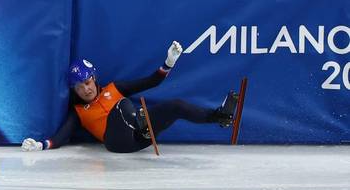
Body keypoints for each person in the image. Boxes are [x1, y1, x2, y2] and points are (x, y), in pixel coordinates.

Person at [21, 41, 239, 154]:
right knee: (122, 105)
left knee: (176, 105)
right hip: (118, 143)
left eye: (87, 82)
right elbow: (61, 137)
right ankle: (141, 124)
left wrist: (169, 62)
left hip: (142, 138)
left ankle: (220, 117)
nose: (85, 90)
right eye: (79, 88)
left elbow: (151, 82)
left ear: (94, 78)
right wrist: (42, 145)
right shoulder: (79, 112)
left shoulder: (114, 88)